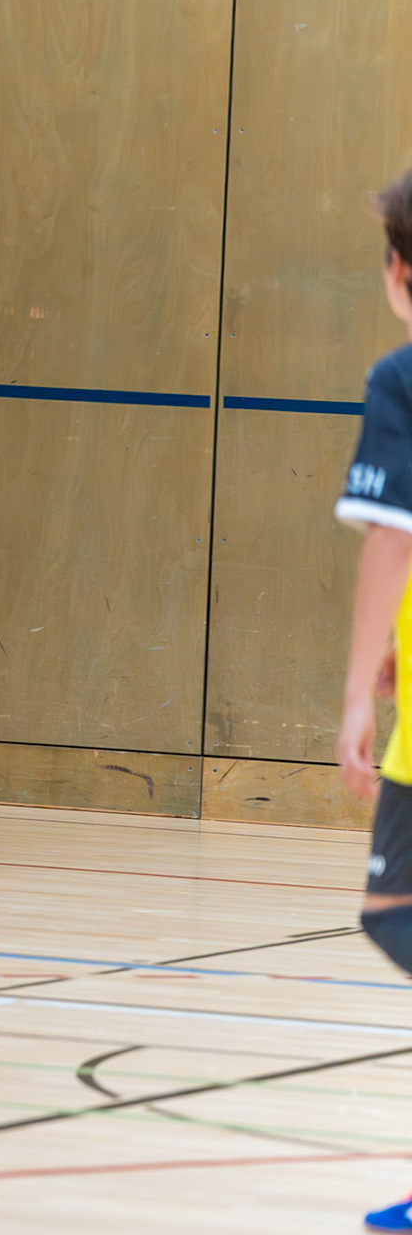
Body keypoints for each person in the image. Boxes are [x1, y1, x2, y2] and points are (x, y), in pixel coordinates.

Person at [335, 168, 412, 1233]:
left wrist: (356, 691)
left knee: (393, 915)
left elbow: (395, 535)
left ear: (399, 271)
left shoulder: (403, 378)